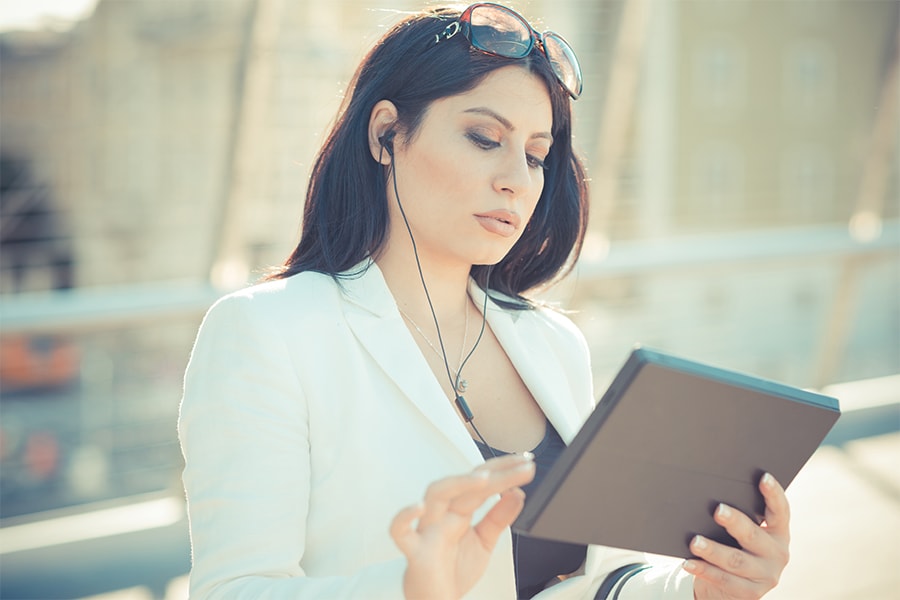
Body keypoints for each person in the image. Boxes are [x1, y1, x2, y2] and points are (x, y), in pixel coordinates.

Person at [178, 3, 791, 599]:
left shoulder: (553, 343)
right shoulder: (266, 332)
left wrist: (698, 589)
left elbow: (587, 582)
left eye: (536, 155)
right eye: (483, 138)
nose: (517, 180)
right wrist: (409, 593)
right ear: (386, 133)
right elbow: (234, 588)